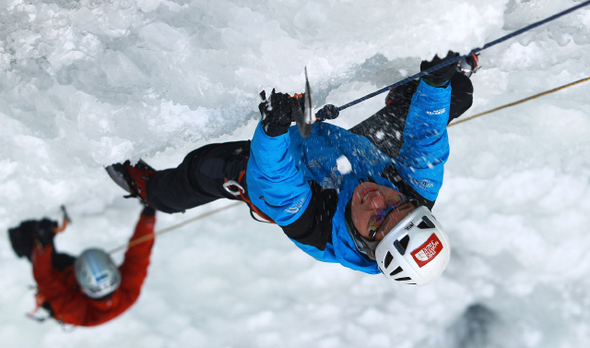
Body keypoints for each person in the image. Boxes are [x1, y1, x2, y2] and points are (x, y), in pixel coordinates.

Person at [107, 52, 476, 286]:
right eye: (399, 205)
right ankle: (414, 91)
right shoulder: (416, 192)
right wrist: (436, 82)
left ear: (366, 244)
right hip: (354, 156)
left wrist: (274, 130)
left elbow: (275, 179)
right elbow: (426, 138)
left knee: (202, 171)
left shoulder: (318, 229)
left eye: (378, 222)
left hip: (289, 171)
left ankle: (149, 191)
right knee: (453, 93)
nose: (380, 200)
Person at [7, 205, 156, 326]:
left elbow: (44, 277)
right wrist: (148, 216)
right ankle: (44, 229)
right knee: (54, 255)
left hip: (67, 295)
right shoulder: (129, 291)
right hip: (74, 282)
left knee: (35, 251)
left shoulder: (74, 308)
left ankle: (18, 231)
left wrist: (42, 245)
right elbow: (139, 254)